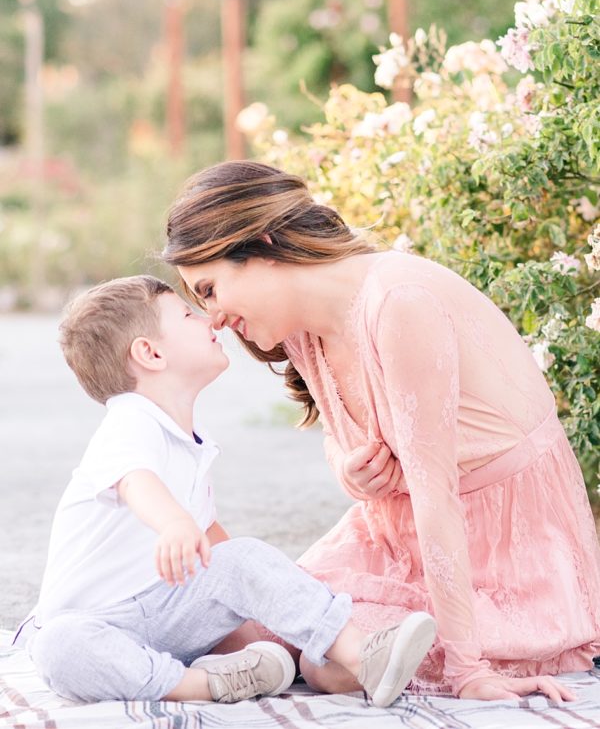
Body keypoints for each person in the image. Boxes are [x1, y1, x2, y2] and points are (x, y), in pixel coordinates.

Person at [162, 159, 600, 704]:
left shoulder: (397, 302)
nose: (213, 318)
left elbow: (437, 494)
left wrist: (469, 670)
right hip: (391, 535)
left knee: (330, 661)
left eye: (209, 289)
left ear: (264, 245)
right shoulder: (302, 328)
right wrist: (348, 470)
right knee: (238, 626)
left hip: (500, 549)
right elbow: (340, 436)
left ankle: (450, 643)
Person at [13, 275, 436, 707]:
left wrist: (250, 622)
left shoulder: (193, 441)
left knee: (242, 556)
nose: (210, 320)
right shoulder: (130, 420)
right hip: (96, 624)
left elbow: (217, 550)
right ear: (150, 352)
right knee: (60, 646)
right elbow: (135, 479)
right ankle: (199, 686)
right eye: (188, 314)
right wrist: (174, 523)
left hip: (166, 614)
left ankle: (357, 655)